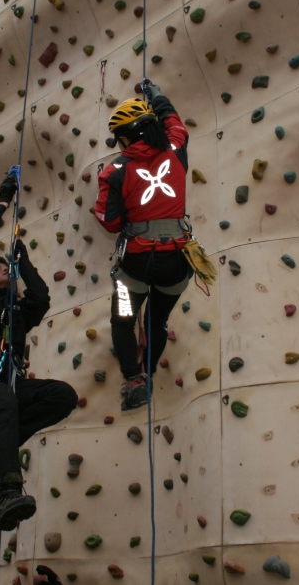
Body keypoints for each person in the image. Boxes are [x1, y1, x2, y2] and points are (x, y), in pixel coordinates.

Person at [0, 172, 77, 531]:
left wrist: (24, 265)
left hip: (7, 384)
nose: (1, 268)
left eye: (4, 266)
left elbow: (40, 298)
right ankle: (7, 490)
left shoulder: (17, 311)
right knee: (4, 403)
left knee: (62, 397)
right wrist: (3, 204)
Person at [94, 80, 193, 411]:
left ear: (125, 136)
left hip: (134, 268)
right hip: (177, 263)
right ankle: (147, 373)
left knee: (123, 318)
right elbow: (175, 123)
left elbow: (108, 221)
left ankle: (134, 381)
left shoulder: (115, 170)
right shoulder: (176, 150)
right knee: (157, 320)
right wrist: (158, 97)